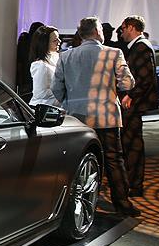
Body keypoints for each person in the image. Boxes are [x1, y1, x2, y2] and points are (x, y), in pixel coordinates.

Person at [51, 16, 139, 217]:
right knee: (113, 159)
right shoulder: (114, 53)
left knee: (78, 161)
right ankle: (122, 203)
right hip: (106, 117)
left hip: (77, 118)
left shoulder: (66, 56)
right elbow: (128, 83)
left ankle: (75, 203)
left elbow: (56, 88)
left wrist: (71, 101)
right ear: (98, 31)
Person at [118, 15, 157, 197]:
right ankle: (132, 183)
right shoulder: (139, 46)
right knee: (131, 143)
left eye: (123, 28)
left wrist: (130, 95)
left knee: (132, 144)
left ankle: (134, 185)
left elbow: (145, 78)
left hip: (133, 104)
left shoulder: (141, 47)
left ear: (132, 28)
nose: (121, 32)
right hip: (134, 104)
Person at [28, 25, 60, 107]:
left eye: (58, 38)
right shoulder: (40, 65)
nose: (59, 41)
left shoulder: (56, 58)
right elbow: (40, 93)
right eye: (55, 40)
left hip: (54, 107)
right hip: (43, 108)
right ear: (44, 44)